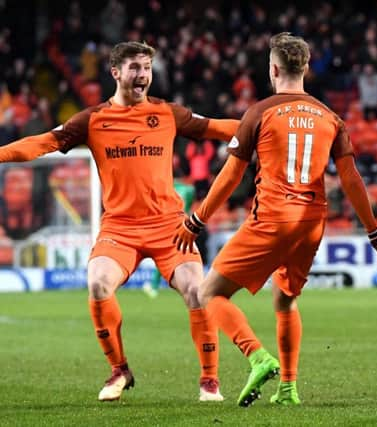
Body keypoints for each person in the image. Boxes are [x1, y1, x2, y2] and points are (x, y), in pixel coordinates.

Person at [0, 41, 239, 402]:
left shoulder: (167, 113)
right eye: (134, 68)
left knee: (196, 289)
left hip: (168, 226)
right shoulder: (93, 119)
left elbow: (218, 128)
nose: (142, 75)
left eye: (146, 67)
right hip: (120, 228)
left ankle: (209, 380)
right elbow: (41, 144)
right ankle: (120, 371)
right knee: (97, 284)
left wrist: (263, 126)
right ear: (115, 72)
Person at [173, 32, 377, 407]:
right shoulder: (330, 116)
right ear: (305, 68)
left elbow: (230, 175)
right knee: (286, 299)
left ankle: (257, 357)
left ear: (273, 69)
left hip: (274, 217)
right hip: (311, 223)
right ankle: (288, 388)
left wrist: (197, 218)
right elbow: (352, 179)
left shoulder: (260, 111)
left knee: (208, 293)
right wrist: (373, 232)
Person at [143, 176, 196, 299]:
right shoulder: (188, 189)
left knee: (165, 256)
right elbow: (190, 204)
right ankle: (192, 283)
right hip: (185, 224)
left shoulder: (165, 188)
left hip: (168, 224)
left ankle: (155, 286)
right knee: (185, 255)